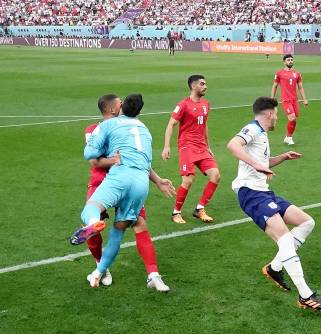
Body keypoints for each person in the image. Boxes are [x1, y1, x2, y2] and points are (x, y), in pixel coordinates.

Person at [226, 97, 321, 311]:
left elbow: (263, 163)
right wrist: (258, 165)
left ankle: (274, 269)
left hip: (264, 193)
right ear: (269, 114)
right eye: (276, 114)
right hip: (251, 193)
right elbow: (232, 145)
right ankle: (305, 295)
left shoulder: (262, 134)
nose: (278, 118)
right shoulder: (252, 129)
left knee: (306, 222)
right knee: (284, 239)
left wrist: (282, 157)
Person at [70, 94, 177, 288]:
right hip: (113, 180)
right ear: (112, 109)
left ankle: (152, 274)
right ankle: (101, 268)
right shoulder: (100, 128)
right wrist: (113, 160)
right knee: (107, 230)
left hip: (119, 179)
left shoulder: (119, 125)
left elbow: (136, 159)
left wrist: (159, 180)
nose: (123, 105)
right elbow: (95, 161)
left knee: (137, 224)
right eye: (120, 102)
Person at [162, 75, 221, 224]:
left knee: (215, 175)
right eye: (202, 84)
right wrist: (166, 146)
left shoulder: (206, 104)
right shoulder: (183, 105)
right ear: (193, 86)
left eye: (205, 84)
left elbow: (204, 125)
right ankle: (176, 212)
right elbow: (171, 124)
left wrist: (208, 146)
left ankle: (199, 209)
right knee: (188, 180)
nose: (205, 86)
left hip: (201, 146)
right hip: (187, 145)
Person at [271, 54, 308, 145]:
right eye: (288, 60)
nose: (290, 61)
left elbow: (300, 87)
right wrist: (272, 98)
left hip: (295, 100)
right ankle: (289, 138)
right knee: (292, 118)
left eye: (291, 60)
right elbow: (275, 86)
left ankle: (288, 137)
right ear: (284, 62)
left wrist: (304, 99)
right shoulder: (279, 73)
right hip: (286, 100)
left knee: (294, 120)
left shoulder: (297, 73)